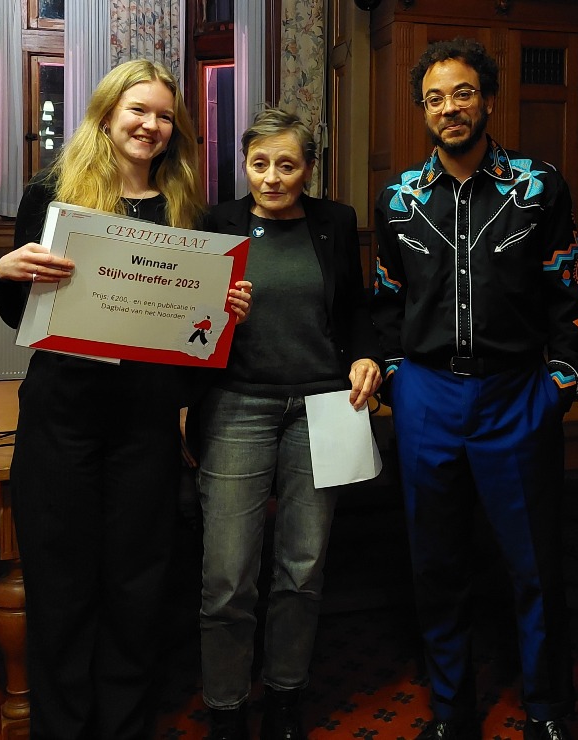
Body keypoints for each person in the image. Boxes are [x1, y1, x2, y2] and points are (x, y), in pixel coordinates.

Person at [0, 59, 251, 740]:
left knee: (137, 587)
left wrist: (223, 315)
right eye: (139, 110)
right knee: (62, 586)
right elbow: (22, 316)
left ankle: (126, 726)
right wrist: (4, 269)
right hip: (63, 420)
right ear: (107, 114)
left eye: (165, 115)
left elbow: (191, 343)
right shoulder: (51, 194)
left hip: (145, 424)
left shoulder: (186, 206)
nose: (152, 126)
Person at [370, 38, 578, 740]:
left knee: (534, 565)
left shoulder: (538, 186)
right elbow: (386, 302)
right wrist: (399, 380)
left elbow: (567, 294)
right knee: (436, 565)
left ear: (486, 99)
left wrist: (559, 383)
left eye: (462, 93)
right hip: (428, 396)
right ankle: (450, 711)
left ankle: (549, 710)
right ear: (422, 111)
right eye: (434, 98)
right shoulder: (399, 198)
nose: (449, 108)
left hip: (515, 393)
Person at [195, 107, 382, 740]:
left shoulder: (335, 221)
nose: (271, 178)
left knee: (302, 567)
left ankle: (284, 695)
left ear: (307, 169)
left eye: (286, 165)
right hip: (237, 405)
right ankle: (224, 704)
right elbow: (189, 328)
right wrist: (220, 314)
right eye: (259, 164)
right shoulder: (216, 222)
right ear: (243, 165)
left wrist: (366, 356)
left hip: (324, 408)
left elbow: (355, 308)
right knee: (227, 573)